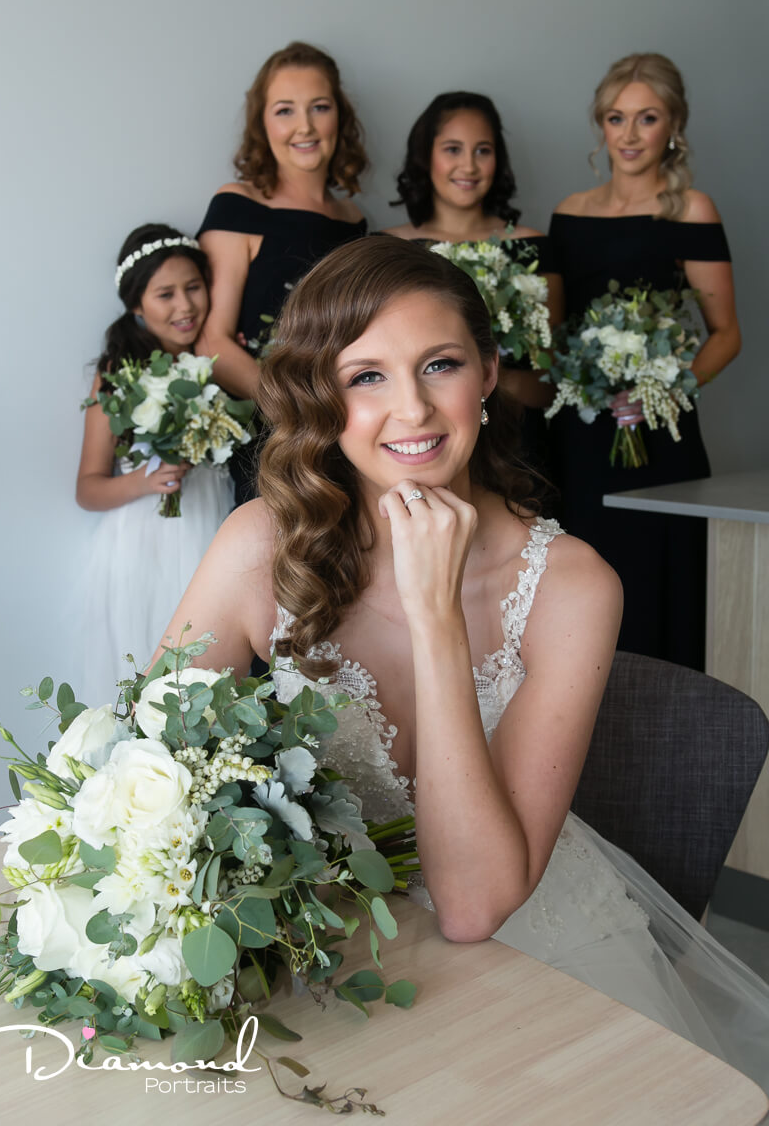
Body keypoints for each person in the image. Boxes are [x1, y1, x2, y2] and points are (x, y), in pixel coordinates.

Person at [156, 236, 768, 1092]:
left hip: (523, 952)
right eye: (367, 376)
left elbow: (474, 908)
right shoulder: (258, 543)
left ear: (487, 374)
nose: (412, 409)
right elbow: (147, 766)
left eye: (438, 365)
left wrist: (435, 614)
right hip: (317, 943)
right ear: (322, 396)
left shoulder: (573, 585)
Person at [548, 53, 741, 669]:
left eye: (647, 118)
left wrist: (662, 389)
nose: (629, 135)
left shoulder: (692, 211)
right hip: (581, 433)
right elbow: (553, 335)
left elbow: (726, 335)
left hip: (659, 434)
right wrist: (580, 380)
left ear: (674, 126)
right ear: (600, 125)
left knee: (659, 584)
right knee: (583, 581)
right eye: (616, 118)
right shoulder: (569, 213)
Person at [196, 41, 368, 504]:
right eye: (285, 110)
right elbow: (211, 343)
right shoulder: (238, 205)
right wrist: (297, 412)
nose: (304, 126)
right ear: (262, 123)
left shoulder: (354, 220)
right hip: (270, 437)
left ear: (340, 117)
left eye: (320, 107)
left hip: (348, 433)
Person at [75, 224, 233, 705]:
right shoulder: (119, 373)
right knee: (145, 666)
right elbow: (87, 488)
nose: (185, 306)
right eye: (166, 294)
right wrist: (147, 481)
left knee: (210, 670)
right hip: (144, 539)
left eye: (194, 287)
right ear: (137, 305)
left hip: (212, 523)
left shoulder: (221, 362)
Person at [383, 91, 563, 418]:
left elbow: (548, 383)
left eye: (483, 151)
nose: (469, 166)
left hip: (518, 430)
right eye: (453, 149)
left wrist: (477, 376)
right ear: (425, 155)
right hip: (418, 423)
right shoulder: (386, 247)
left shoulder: (535, 247)